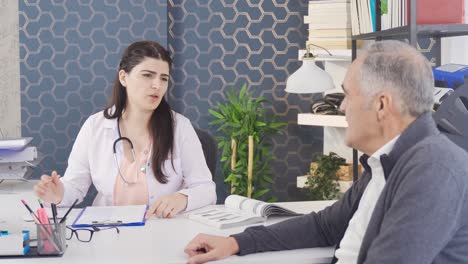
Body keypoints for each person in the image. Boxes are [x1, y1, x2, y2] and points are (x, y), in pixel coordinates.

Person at [184, 40, 468, 263]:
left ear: (382, 105)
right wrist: (236, 242)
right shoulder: (388, 161)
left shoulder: (434, 168)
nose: (342, 106)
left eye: (348, 94)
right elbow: (324, 226)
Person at [34, 40, 216, 218]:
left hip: (162, 229)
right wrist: (58, 194)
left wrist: (182, 198)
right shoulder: (95, 126)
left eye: (164, 78)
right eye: (147, 75)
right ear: (123, 77)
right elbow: (74, 186)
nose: (157, 85)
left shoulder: (180, 127)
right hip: (108, 229)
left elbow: (206, 189)